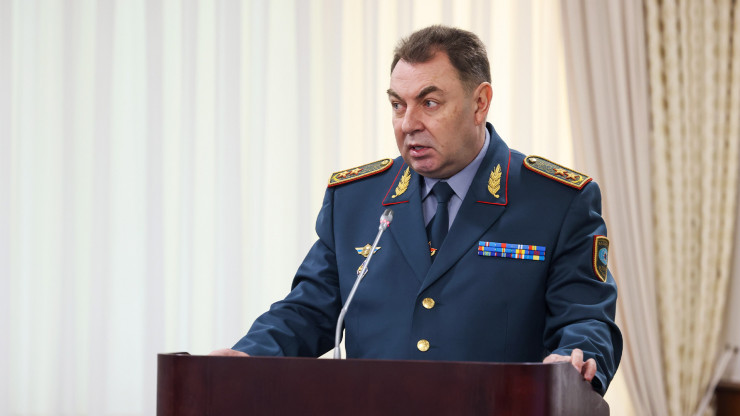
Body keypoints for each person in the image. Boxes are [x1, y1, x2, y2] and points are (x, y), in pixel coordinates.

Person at [211, 25, 622, 395]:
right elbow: (309, 309)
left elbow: (586, 319)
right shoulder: (355, 200)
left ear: (480, 103)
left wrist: (574, 359)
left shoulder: (557, 201)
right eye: (397, 104)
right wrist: (247, 356)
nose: (408, 123)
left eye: (429, 103)